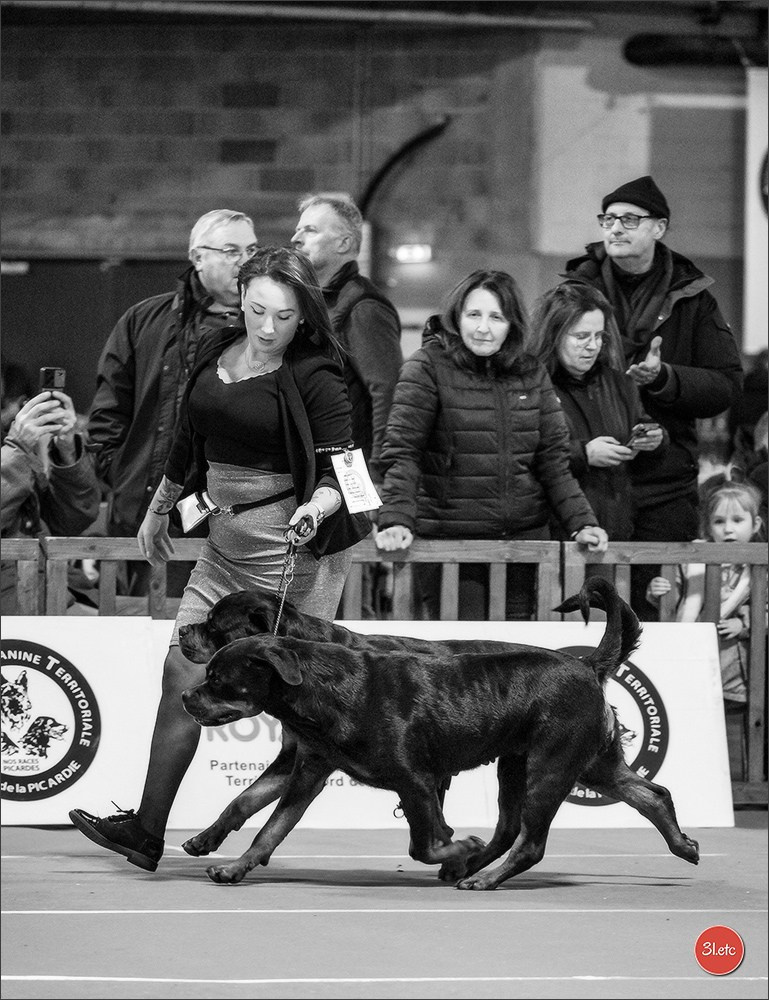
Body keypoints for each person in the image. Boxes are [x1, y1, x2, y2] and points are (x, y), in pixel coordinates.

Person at [69, 246, 371, 872]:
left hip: (292, 558)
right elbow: (187, 440)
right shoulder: (216, 349)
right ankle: (146, 831)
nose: (268, 327)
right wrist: (159, 509)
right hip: (223, 550)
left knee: (302, 713)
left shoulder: (318, 372)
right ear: (240, 297)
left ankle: (264, 831)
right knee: (181, 671)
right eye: (257, 310)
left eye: (284, 316)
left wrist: (316, 508)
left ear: (304, 314)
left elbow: (342, 465)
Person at [374, 269, 608, 620]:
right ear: (457, 317)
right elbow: (403, 451)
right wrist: (396, 519)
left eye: (496, 317)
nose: (483, 328)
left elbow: (553, 461)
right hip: (450, 541)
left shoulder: (531, 371)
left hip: (523, 543)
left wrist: (582, 522)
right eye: (474, 315)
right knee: (462, 648)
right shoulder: (427, 366)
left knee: (515, 648)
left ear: (512, 324)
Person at [563, 175, 744, 618]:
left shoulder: (693, 299)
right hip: (589, 483)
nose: (615, 228)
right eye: (608, 218)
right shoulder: (575, 292)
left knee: (655, 616)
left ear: (659, 228)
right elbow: (545, 373)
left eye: (629, 219)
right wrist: (581, 448)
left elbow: (726, 385)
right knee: (586, 618)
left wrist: (665, 378)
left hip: (663, 485)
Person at [87, 209, 259, 597]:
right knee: (140, 628)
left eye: (251, 249)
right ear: (198, 257)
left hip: (235, 526)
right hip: (141, 516)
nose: (245, 261)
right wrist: (122, 475)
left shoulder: (266, 328)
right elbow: (107, 415)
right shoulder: (143, 319)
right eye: (231, 251)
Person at [645, 478, 763, 777]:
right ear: (708, 527)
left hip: (733, 663)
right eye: (719, 521)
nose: (728, 529)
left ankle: (734, 781)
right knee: (686, 716)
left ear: (756, 524)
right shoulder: (692, 560)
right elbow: (674, 597)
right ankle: (687, 777)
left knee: (731, 721)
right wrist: (658, 591)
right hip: (690, 656)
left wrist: (744, 622)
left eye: (738, 520)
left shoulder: (759, 566)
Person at [531, 281, 665, 542]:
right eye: (581, 336)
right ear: (553, 335)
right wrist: (584, 454)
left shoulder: (620, 384)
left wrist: (655, 440)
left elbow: (641, 428)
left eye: (599, 336)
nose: (593, 346)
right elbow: (521, 454)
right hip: (553, 533)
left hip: (615, 529)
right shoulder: (531, 385)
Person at [290, 193, 402, 485]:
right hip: (314, 467)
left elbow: (387, 392)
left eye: (310, 230)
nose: (296, 238)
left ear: (344, 243)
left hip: (350, 473)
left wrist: (379, 474)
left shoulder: (363, 306)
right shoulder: (312, 301)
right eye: (298, 229)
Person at [1, 383, 101, 614]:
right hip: (19, 606)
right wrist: (17, 447)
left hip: (56, 590)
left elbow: (68, 522)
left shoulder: (11, 434)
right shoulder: (15, 444)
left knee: (165, 620)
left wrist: (67, 452)